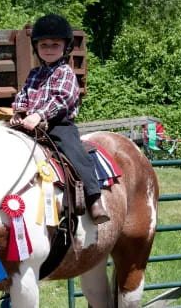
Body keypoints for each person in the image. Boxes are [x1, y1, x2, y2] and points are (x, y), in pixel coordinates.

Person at [9, 13, 109, 224]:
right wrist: (19, 113)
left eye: (55, 44)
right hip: (30, 125)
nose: (49, 48)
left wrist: (39, 114)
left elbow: (63, 98)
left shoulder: (65, 72)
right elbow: (23, 94)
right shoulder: (34, 73)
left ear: (66, 46)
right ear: (36, 47)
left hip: (58, 125)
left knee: (76, 154)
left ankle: (94, 198)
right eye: (44, 44)